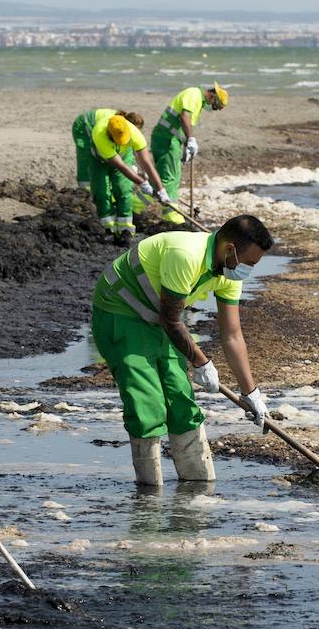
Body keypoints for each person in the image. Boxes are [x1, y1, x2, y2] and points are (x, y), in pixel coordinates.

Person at [90, 214, 272, 486]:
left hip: (159, 316)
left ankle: (199, 489)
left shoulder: (228, 272)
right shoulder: (185, 255)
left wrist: (251, 393)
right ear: (230, 249)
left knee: (181, 399)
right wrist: (201, 362)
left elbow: (232, 335)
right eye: (249, 263)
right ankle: (150, 498)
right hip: (121, 311)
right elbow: (171, 319)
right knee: (147, 404)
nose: (248, 270)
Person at [80, 111, 169, 244]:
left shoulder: (134, 133)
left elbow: (147, 163)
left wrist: (161, 189)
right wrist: (142, 183)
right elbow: (121, 167)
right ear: (110, 135)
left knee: (123, 190)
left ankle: (125, 230)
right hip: (99, 160)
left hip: (123, 156)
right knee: (101, 192)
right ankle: (108, 229)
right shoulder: (99, 134)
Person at [149, 83, 227, 225]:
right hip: (167, 139)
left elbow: (185, 126)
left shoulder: (197, 101)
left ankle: (149, 206)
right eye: (215, 106)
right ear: (213, 96)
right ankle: (169, 213)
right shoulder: (194, 95)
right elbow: (184, 118)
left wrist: (186, 146)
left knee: (168, 176)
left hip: (170, 139)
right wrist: (191, 139)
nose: (213, 109)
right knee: (170, 177)